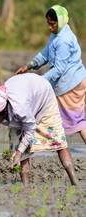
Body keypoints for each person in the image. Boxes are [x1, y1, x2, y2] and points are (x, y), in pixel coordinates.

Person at [0, 73, 77, 186]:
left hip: (43, 97)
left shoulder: (19, 106)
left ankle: (74, 183)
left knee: (58, 141)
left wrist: (18, 152)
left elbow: (30, 127)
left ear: (5, 111)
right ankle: (25, 188)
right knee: (18, 146)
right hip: (25, 98)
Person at [15, 4, 86, 142]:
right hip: (71, 82)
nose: (50, 27)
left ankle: (41, 145)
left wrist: (39, 82)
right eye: (48, 24)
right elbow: (46, 53)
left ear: (61, 21)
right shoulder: (57, 34)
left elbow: (59, 69)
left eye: (52, 24)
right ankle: (51, 146)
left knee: (76, 121)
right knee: (70, 119)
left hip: (71, 85)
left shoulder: (63, 40)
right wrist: (29, 65)